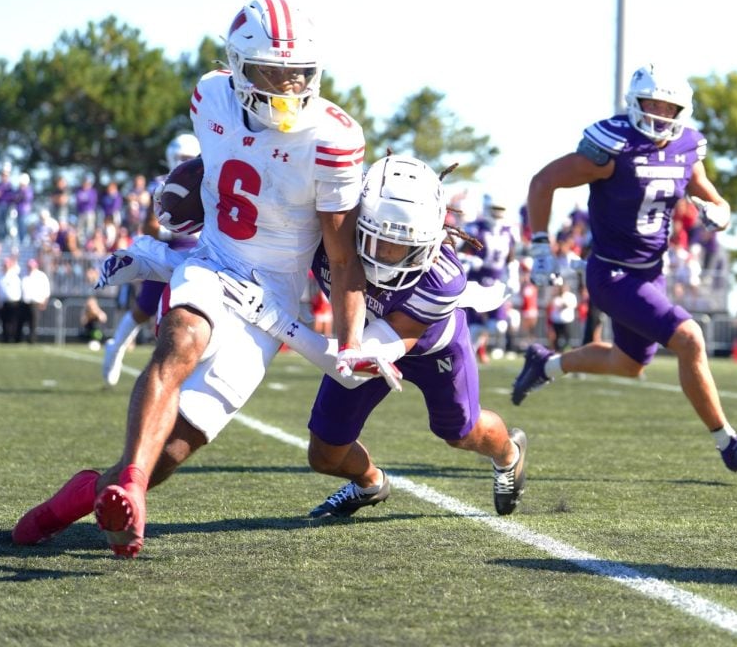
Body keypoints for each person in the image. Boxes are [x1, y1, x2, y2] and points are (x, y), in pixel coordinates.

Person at [13, 0, 380, 558]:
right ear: (236, 66)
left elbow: (343, 253)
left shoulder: (333, 139)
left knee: (169, 453)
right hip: (213, 261)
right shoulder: (211, 96)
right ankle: (130, 487)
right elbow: (222, 160)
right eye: (270, 73)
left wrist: (351, 342)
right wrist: (184, 193)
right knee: (181, 339)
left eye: (298, 74)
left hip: (273, 301)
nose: (286, 88)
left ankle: (70, 504)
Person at [224, 155, 528, 517]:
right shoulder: (327, 230)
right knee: (324, 454)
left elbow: (358, 363)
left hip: (429, 348)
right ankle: (370, 482)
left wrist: (276, 321)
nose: (387, 257)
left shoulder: (441, 281)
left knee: (460, 432)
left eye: (403, 247)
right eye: (378, 241)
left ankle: (508, 454)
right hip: (361, 341)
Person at [511, 63, 737, 472]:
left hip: (650, 273)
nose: (658, 113)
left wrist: (719, 212)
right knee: (690, 338)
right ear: (634, 103)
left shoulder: (686, 147)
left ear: (681, 111)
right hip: (611, 272)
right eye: (651, 103)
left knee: (629, 364)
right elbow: (543, 181)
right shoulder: (612, 147)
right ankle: (730, 446)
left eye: (668, 107)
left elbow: (712, 197)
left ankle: (544, 364)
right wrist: (542, 244)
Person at [101, 133, 201, 387]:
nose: (184, 162)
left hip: (200, 252)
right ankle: (116, 347)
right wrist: (171, 230)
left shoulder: (209, 180)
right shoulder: (163, 183)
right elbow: (148, 226)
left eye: (189, 157)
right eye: (181, 157)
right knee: (144, 307)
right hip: (168, 251)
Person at [459, 196, 518, 363]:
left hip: (496, 280)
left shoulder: (509, 231)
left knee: (498, 326)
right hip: (476, 279)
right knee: (475, 327)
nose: (498, 214)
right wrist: (470, 260)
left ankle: (473, 350)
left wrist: (513, 276)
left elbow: (511, 257)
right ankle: (469, 355)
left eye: (501, 210)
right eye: (495, 210)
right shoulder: (476, 228)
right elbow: (460, 253)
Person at [19, 258, 51, 343]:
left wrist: (44, 301)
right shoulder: (24, 276)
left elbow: (46, 290)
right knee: (21, 322)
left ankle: (32, 340)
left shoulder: (41, 276)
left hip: (35, 303)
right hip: (24, 303)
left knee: (33, 323)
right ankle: (19, 339)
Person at [0, 256, 23, 343]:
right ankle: (5, 338)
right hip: (4, 302)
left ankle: (14, 338)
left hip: (14, 302)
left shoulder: (14, 276)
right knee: (5, 322)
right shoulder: (0, 277)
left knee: (14, 321)